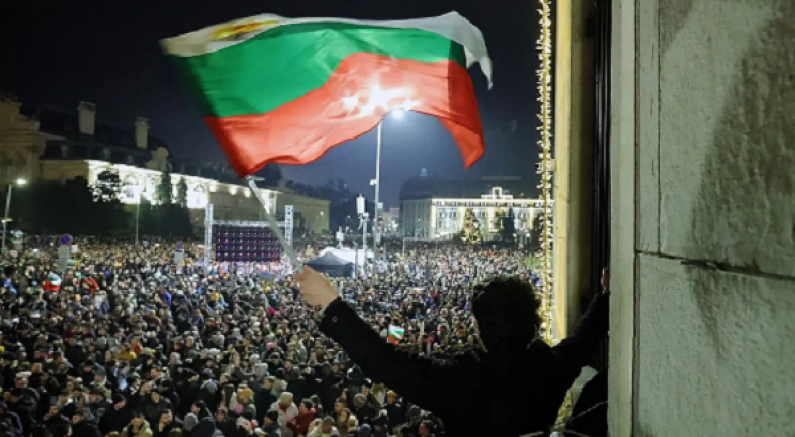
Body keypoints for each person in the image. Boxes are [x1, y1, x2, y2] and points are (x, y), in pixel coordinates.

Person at [296, 266, 610, 437]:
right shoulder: (548, 369)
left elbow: (385, 362)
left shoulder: (461, 382)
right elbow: (583, 341)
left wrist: (333, 305)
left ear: (481, 328)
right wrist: (605, 297)